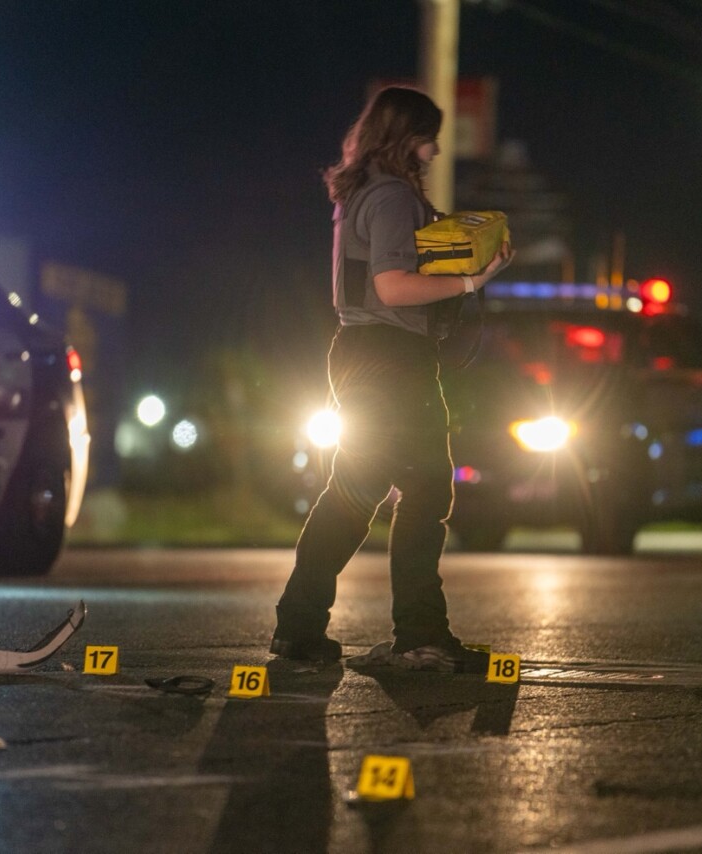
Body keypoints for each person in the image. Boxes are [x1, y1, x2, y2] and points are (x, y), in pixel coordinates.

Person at [269, 86, 513, 672]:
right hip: (391, 356)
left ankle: (299, 630)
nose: (433, 151)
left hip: (361, 351)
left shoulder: (362, 192)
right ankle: (421, 638)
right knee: (427, 489)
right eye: (428, 138)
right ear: (405, 136)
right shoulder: (391, 197)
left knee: (353, 494)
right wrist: (472, 281)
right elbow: (393, 287)